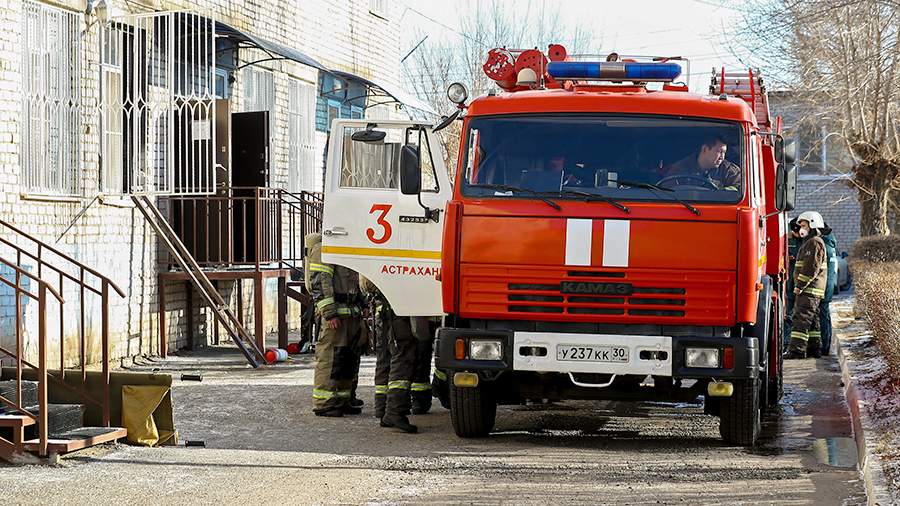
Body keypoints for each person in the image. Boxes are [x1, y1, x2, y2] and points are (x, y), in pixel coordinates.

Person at [306, 233, 367, 417]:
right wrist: (329, 312)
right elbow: (319, 281)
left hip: (351, 312)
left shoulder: (346, 246)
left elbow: (356, 279)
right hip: (335, 314)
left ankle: (343, 398)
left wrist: (362, 304)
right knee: (330, 358)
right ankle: (324, 403)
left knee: (348, 357)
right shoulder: (323, 248)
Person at [359, 276, 419, 433]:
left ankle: (383, 409)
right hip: (397, 310)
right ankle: (394, 412)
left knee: (385, 359)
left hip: (385, 310)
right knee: (402, 358)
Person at [784, 212, 828, 359]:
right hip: (813, 289)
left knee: (800, 319)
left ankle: (796, 351)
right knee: (812, 321)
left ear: (812, 224)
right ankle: (814, 349)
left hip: (809, 289)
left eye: (804, 225)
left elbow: (811, 268)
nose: (801, 228)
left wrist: (800, 285)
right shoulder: (812, 242)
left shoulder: (814, 243)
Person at [660, 134, 741, 191]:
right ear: (705, 149)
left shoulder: (729, 171)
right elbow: (667, 194)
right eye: (719, 151)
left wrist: (722, 192)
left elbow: (740, 190)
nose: (722, 157)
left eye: (724, 153)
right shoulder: (679, 169)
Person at [819, 220, 839, 356]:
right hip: (827, 287)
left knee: (823, 316)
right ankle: (825, 345)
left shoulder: (823, 245)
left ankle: (825, 346)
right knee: (824, 315)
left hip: (822, 287)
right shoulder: (829, 244)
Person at [783, 217, 800, 346]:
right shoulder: (788, 240)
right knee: (789, 315)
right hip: (790, 284)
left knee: (799, 315)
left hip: (801, 284)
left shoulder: (807, 241)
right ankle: (787, 342)